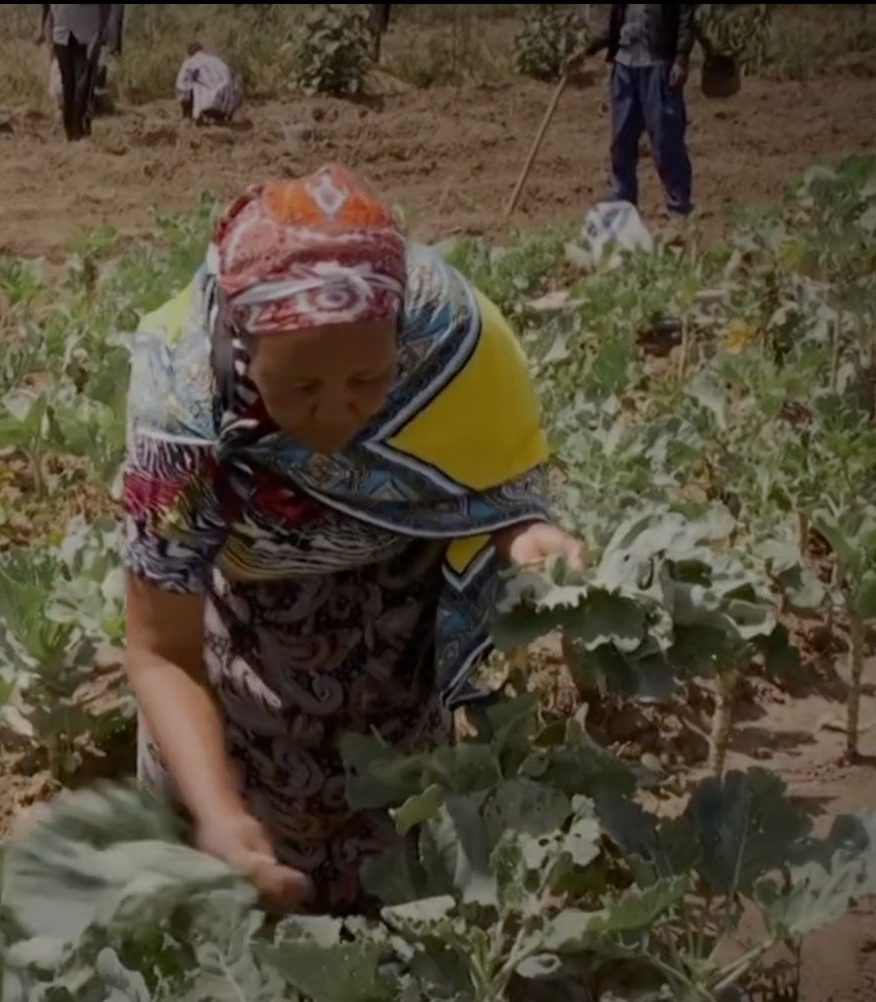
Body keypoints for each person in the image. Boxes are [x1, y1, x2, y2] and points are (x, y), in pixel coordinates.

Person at [122, 165, 584, 913]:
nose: (338, 412)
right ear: (244, 349)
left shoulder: (448, 340)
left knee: (399, 885)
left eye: (369, 381)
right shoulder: (183, 406)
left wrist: (526, 538)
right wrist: (218, 812)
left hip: (393, 656)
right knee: (230, 918)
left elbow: (496, 486)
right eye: (302, 388)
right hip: (238, 659)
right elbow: (159, 651)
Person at [568, 5, 696, 216]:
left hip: (658, 64)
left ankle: (678, 203)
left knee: (666, 139)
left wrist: (681, 59)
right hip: (625, 66)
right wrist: (586, 51)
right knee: (621, 138)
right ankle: (623, 195)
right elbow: (614, 27)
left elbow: (686, 21)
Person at [37, 4, 110, 141]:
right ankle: (70, 129)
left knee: (83, 81)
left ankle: (79, 126)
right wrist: (45, 30)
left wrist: (103, 26)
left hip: (88, 34)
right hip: (62, 33)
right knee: (68, 83)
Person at [175, 43, 241, 127]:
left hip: (208, 105)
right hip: (227, 109)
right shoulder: (219, 61)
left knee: (189, 83)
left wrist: (186, 110)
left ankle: (190, 118)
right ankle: (218, 119)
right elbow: (237, 88)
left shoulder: (191, 61)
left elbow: (182, 85)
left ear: (190, 54)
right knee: (204, 80)